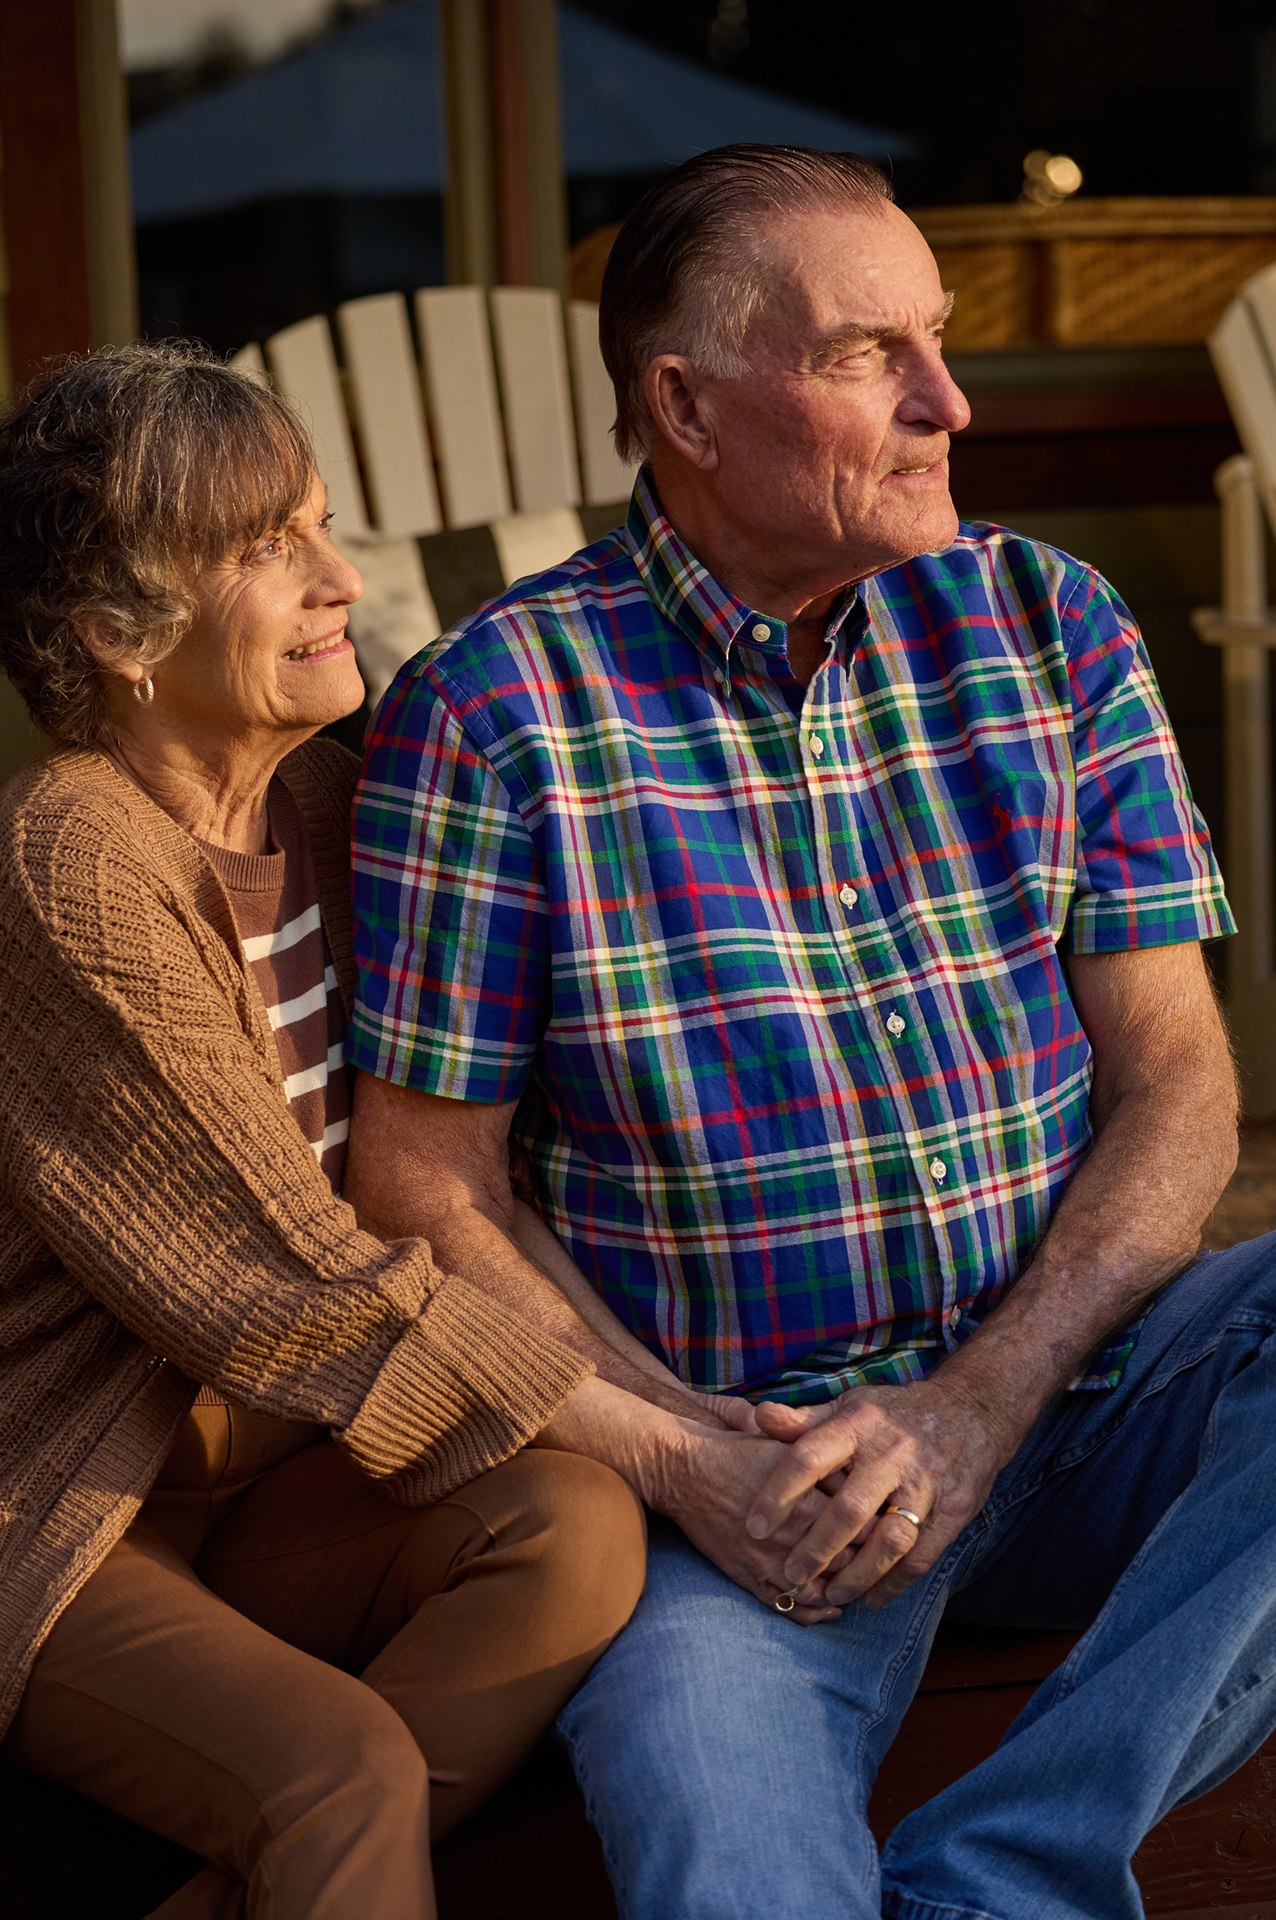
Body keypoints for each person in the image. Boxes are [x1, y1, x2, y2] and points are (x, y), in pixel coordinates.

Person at [342, 143, 1276, 1920]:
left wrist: (975, 1409)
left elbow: (1181, 1079)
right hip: (749, 1498)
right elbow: (426, 1188)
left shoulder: (1050, 625)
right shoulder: (494, 719)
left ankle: (1008, 1876)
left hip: (1079, 1383)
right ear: (686, 405)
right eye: (872, 356)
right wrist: (693, 1461)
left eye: (938, 341)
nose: (951, 402)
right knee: (731, 1862)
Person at [0, 342, 670, 1920]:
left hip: (285, 1474)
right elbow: (282, 1283)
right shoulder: (72, 859)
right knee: (341, 1772)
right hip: (70, 1505)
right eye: (264, 549)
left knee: (572, 1533)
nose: (339, 578)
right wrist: (675, 1440)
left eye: (317, 525)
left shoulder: (323, 808)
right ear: (118, 636)